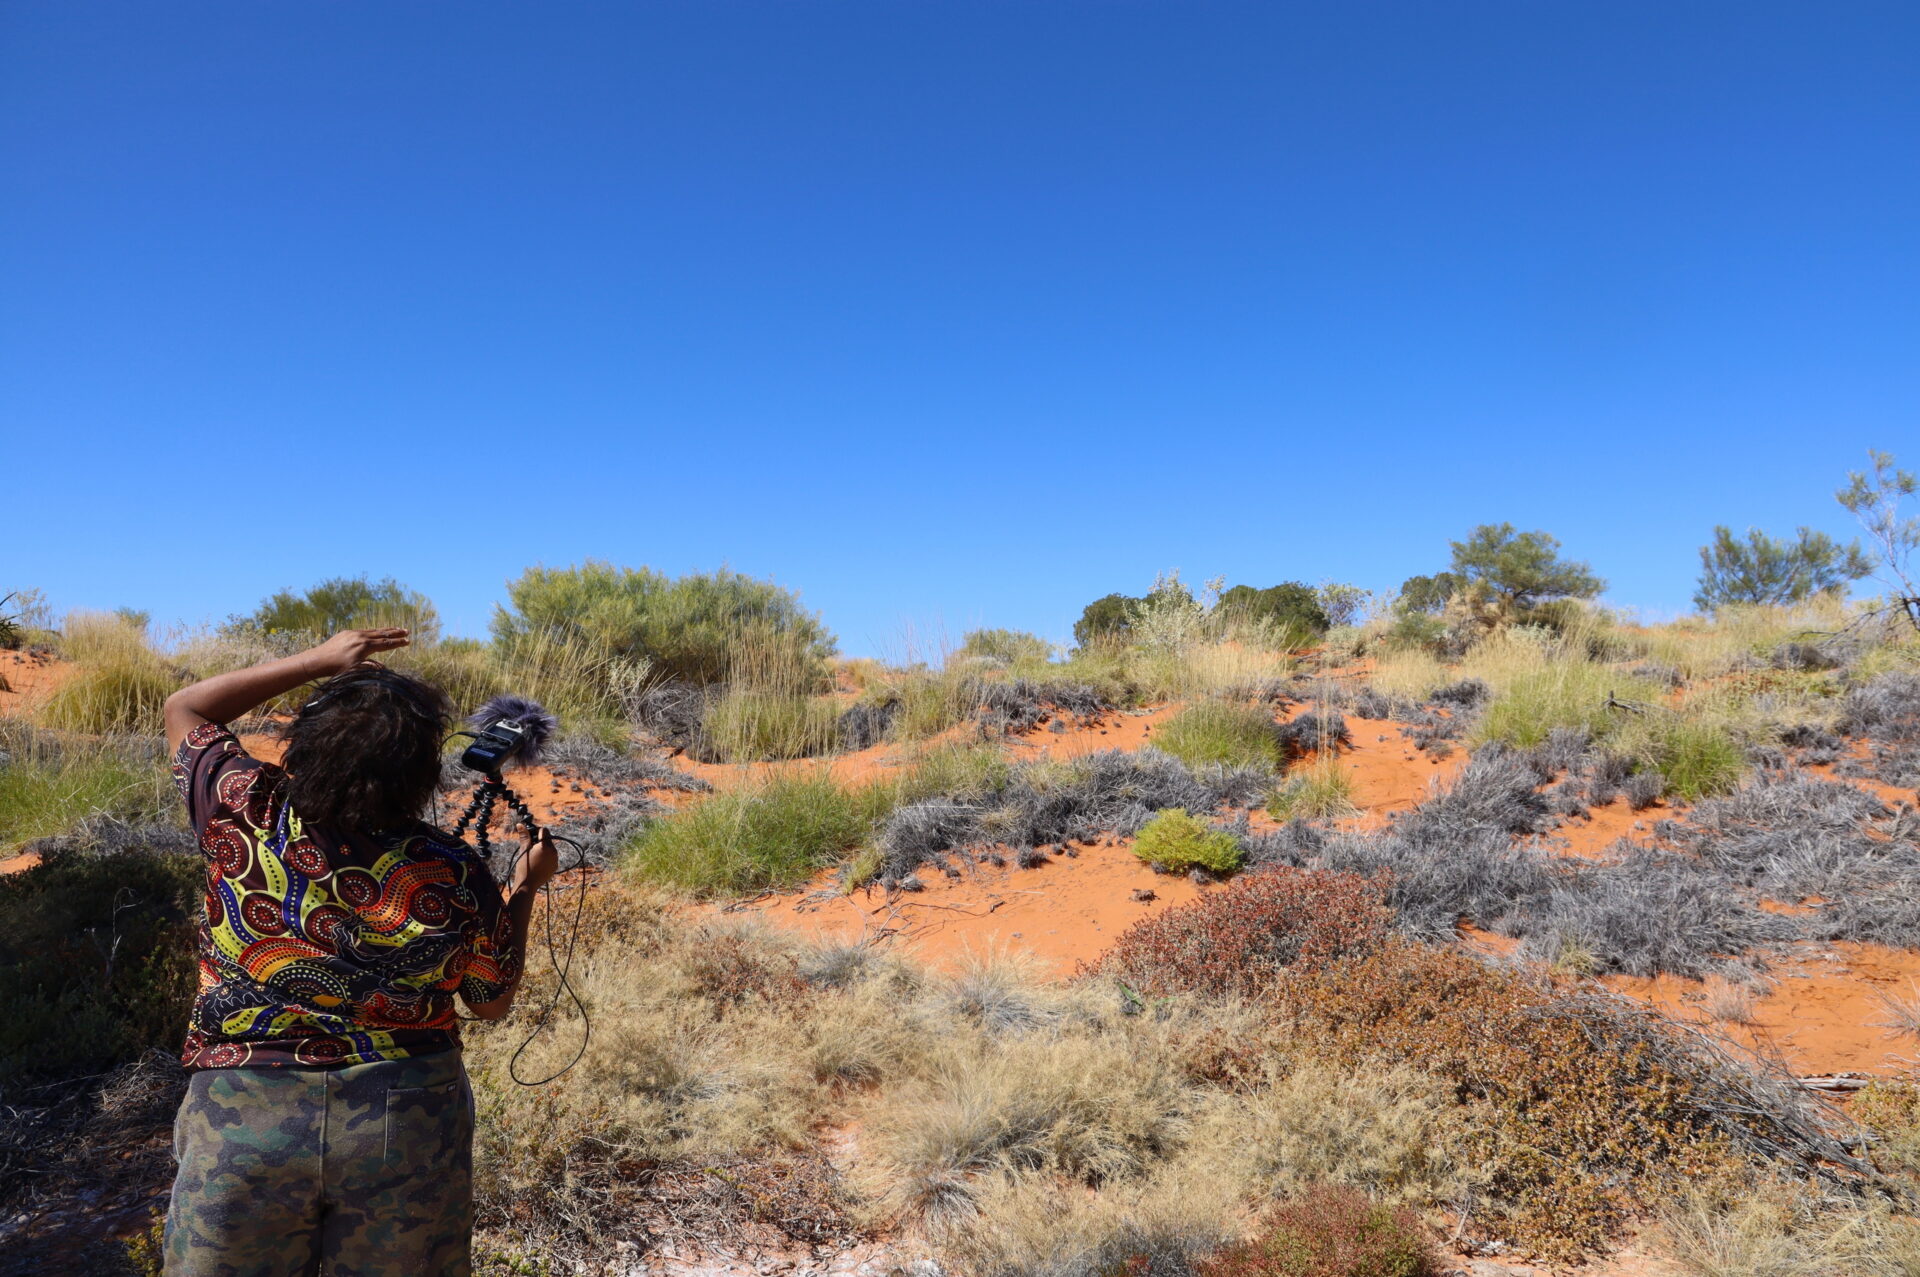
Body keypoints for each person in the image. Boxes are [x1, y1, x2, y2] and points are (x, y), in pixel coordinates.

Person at [158, 628, 557, 1276]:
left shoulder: (243, 808)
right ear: (422, 774)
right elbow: (492, 1000)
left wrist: (319, 658)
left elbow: (186, 708)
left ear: (303, 747)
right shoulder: (452, 869)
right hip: (406, 1116)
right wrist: (521, 887)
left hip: (244, 1112)